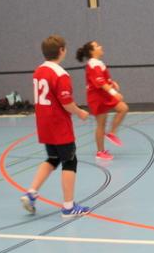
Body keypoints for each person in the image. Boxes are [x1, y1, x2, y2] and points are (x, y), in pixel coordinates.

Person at [20, 35, 90, 218]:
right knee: (70, 161)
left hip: (44, 124)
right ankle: (68, 207)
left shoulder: (38, 71)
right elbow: (66, 103)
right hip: (58, 125)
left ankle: (31, 193)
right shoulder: (60, 74)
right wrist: (80, 112)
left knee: (53, 158)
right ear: (61, 51)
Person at [76, 41, 129, 160]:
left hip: (104, 95)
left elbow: (103, 79)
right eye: (97, 46)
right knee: (101, 124)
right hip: (97, 98)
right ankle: (100, 152)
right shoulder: (93, 64)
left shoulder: (98, 63)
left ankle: (112, 133)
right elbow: (100, 82)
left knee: (123, 108)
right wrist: (114, 93)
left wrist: (111, 82)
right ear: (92, 51)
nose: (101, 47)